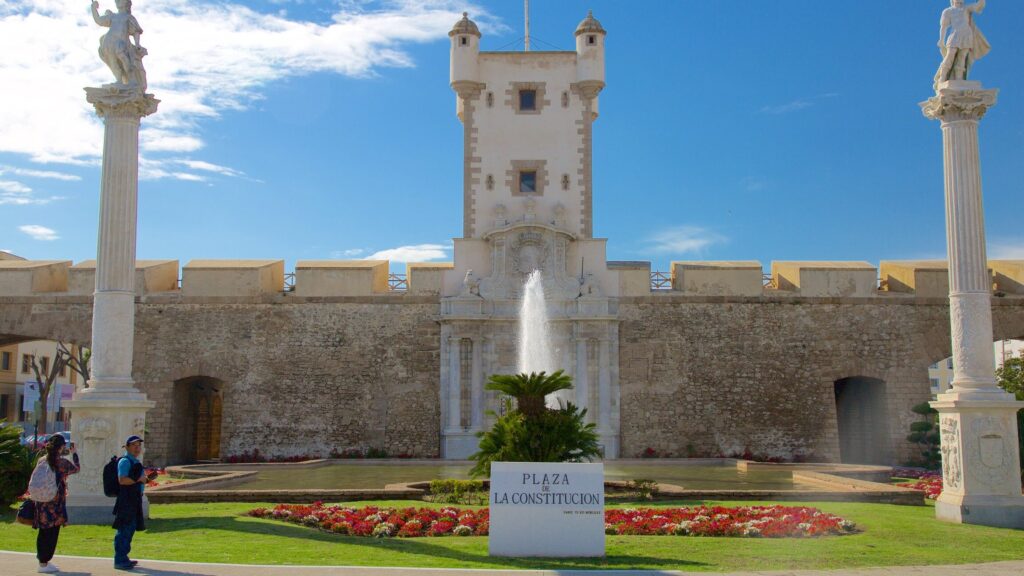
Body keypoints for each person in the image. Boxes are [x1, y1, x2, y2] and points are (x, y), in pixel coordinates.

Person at [34, 435, 80, 574]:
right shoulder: (61, 463)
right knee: (52, 533)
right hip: (55, 502)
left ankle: (42, 561)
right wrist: (75, 453)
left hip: (42, 501)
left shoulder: (42, 460)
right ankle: (44, 562)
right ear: (61, 447)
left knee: (43, 532)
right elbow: (76, 469)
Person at [113, 435, 157, 571]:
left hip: (134, 499)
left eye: (139, 446)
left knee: (130, 528)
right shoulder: (125, 462)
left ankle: (123, 557)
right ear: (127, 447)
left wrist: (147, 479)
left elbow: (137, 479)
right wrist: (139, 479)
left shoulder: (134, 461)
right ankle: (119, 559)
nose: (137, 448)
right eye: (134, 446)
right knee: (125, 529)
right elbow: (122, 480)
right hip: (127, 500)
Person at [934, 0, 990, 89]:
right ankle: (942, 77)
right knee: (950, 55)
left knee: (962, 56)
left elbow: (979, 6)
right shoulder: (948, 11)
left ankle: (959, 78)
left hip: (967, 34)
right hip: (955, 34)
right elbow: (943, 27)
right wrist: (941, 40)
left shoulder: (966, 8)